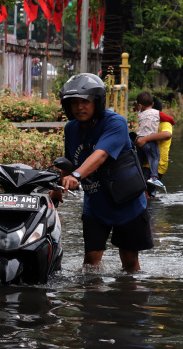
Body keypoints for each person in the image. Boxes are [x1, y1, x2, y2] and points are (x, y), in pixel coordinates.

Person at [58, 73, 153, 272]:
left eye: (85, 101)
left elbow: (100, 156)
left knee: (129, 262)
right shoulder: (71, 128)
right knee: (90, 261)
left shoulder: (115, 123)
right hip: (96, 205)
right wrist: (58, 187)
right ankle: (92, 300)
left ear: (97, 102)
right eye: (74, 103)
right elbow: (68, 163)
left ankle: (129, 300)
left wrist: (76, 176)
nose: (79, 107)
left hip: (127, 204)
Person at [134, 91, 163, 189]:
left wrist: (139, 108)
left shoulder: (140, 114)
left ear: (140, 106)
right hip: (150, 140)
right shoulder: (157, 113)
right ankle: (154, 177)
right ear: (153, 104)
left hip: (139, 140)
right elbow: (170, 119)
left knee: (139, 160)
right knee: (154, 157)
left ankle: (137, 177)